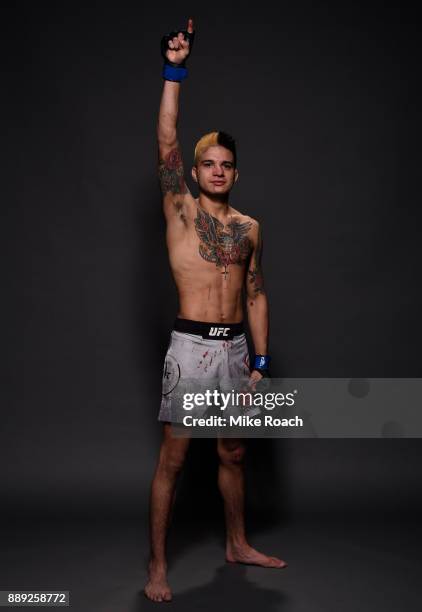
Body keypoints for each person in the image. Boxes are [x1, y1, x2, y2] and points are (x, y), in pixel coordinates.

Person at [144, 18, 287, 603]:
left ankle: (236, 542)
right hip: (192, 347)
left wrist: (260, 360)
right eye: (209, 164)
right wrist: (175, 68)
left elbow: (255, 291)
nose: (218, 171)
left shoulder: (250, 227)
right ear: (196, 171)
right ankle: (157, 566)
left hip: (233, 350)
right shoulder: (180, 210)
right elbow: (166, 138)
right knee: (175, 461)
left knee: (234, 450)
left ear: (235, 171)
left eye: (227, 164)